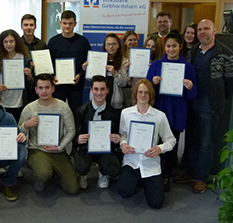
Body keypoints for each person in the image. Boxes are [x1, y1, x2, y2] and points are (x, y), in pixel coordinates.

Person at [181, 19, 233, 194]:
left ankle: (201, 178)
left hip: (210, 105)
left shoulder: (225, 54)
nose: (202, 32)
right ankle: (190, 172)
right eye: (199, 30)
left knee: (206, 143)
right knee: (191, 140)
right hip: (191, 102)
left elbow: (232, 80)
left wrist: (218, 96)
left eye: (206, 29)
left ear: (214, 31)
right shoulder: (192, 52)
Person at [146, 32, 197, 192]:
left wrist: (189, 87)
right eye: (168, 46)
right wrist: (152, 84)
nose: (171, 49)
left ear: (180, 46)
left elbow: (193, 94)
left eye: (174, 46)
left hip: (177, 112)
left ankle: (167, 175)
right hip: (158, 110)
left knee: (171, 146)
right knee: (155, 143)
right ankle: (153, 174)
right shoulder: (156, 65)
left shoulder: (188, 68)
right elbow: (144, 91)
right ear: (164, 47)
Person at [118, 79, 176, 209]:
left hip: (151, 163)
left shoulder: (159, 116)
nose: (143, 95)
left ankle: (145, 181)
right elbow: (123, 135)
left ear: (150, 95)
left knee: (156, 203)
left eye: (146, 92)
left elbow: (171, 140)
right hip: (131, 161)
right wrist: (123, 144)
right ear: (135, 94)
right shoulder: (126, 113)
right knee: (124, 192)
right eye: (140, 92)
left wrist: (159, 148)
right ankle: (139, 180)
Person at [18, 73, 80, 195]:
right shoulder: (30, 108)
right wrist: (26, 125)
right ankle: (43, 177)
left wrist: (60, 147)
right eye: (40, 88)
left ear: (53, 88)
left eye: (47, 87)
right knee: (43, 174)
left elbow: (71, 130)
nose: (44, 91)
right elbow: (19, 130)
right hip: (37, 149)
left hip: (58, 150)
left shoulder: (62, 107)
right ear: (36, 90)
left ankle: (56, 170)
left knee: (73, 189)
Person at [74, 75, 121, 189]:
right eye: (96, 89)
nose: (99, 93)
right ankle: (83, 175)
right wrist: (78, 139)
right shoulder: (81, 111)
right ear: (91, 90)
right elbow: (74, 135)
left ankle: (103, 173)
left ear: (107, 90)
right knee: (81, 166)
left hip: (105, 149)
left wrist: (117, 139)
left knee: (114, 169)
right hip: (86, 147)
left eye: (102, 89)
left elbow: (118, 135)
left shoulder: (114, 113)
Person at [47, 10, 91, 113]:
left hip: (76, 85)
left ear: (75, 24)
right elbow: (48, 63)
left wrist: (80, 74)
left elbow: (88, 62)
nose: (67, 26)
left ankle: (74, 130)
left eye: (70, 23)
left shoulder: (83, 41)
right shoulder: (53, 42)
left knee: (76, 113)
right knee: (57, 112)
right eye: (65, 23)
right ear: (60, 23)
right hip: (57, 85)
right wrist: (52, 76)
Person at [0, 29, 33, 122]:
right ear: (1, 43)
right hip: (2, 101)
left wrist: (29, 76)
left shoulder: (24, 58)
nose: (9, 44)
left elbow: (31, 83)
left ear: (16, 42)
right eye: (6, 42)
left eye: (11, 41)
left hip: (19, 101)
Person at [82, 33, 130, 110]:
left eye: (114, 44)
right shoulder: (98, 59)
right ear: (104, 46)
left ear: (118, 45)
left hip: (115, 103)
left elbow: (124, 83)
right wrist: (87, 70)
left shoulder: (124, 62)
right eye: (108, 44)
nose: (111, 47)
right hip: (97, 101)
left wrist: (115, 73)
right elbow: (91, 79)